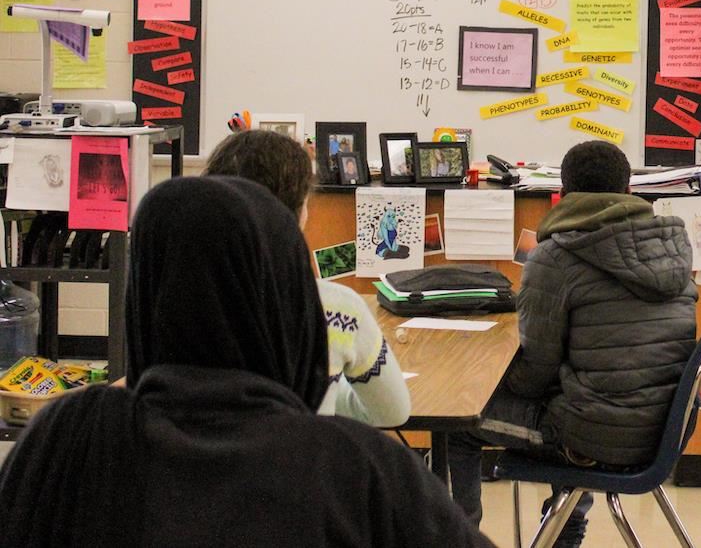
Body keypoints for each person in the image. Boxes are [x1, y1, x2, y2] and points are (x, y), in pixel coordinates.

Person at [0, 176, 489, 547]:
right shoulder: (353, 466)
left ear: (144, 292)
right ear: (286, 296)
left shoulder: (71, 439)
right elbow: (393, 413)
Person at [449, 140, 698, 546]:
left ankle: (459, 539)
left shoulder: (554, 258)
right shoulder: (671, 249)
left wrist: (490, 375)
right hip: (664, 430)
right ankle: (565, 528)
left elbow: (533, 376)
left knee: (460, 423)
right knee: (579, 386)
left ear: (561, 196)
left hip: (598, 437)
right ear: (630, 192)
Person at [205, 129, 410, 428]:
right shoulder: (337, 308)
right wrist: (331, 386)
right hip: (297, 469)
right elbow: (392, 413)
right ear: (298, 212)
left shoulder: (174, 300)